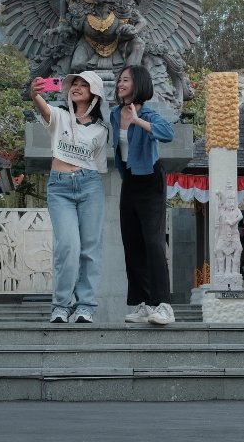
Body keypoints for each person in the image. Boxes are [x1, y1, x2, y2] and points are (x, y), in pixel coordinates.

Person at [31, 70, 110, 324]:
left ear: (93, 93)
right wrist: (35, 94)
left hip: (90, 186)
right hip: (60, 188)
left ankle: (85, 306)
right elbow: (44, 109)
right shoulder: (61, 116)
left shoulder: (100, 130)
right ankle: (61, 306)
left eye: (83, 85)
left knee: (90, 249)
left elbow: (98, 164)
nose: (76, 87)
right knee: (67, 246)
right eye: (73, 84)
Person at [110, 64, 176, 326]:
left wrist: (138, 121)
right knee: (133, 244)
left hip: (150, 179)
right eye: (119, 80)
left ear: (138, 83)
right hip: (130, 180)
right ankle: (145, 305)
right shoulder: (116, 114)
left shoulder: (148, 112)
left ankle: (164, 305)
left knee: (153, 242)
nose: (120, 84)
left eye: (125, 80)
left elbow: (168, 134)